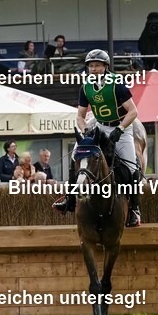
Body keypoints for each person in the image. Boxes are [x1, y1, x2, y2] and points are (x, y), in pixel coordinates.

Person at [53, 49, 143, 228]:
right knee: (75, 157)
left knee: (131, 166)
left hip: (121, 126)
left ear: (105, 67)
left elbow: (133, 111)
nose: (93, 69)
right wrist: (86, 130)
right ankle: (70, 200)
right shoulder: (86, 87)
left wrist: (120, 128)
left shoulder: (116, 84)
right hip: (99, 125)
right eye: (91, 66)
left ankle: (134, 209)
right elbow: (80, 115)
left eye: (97, 66)